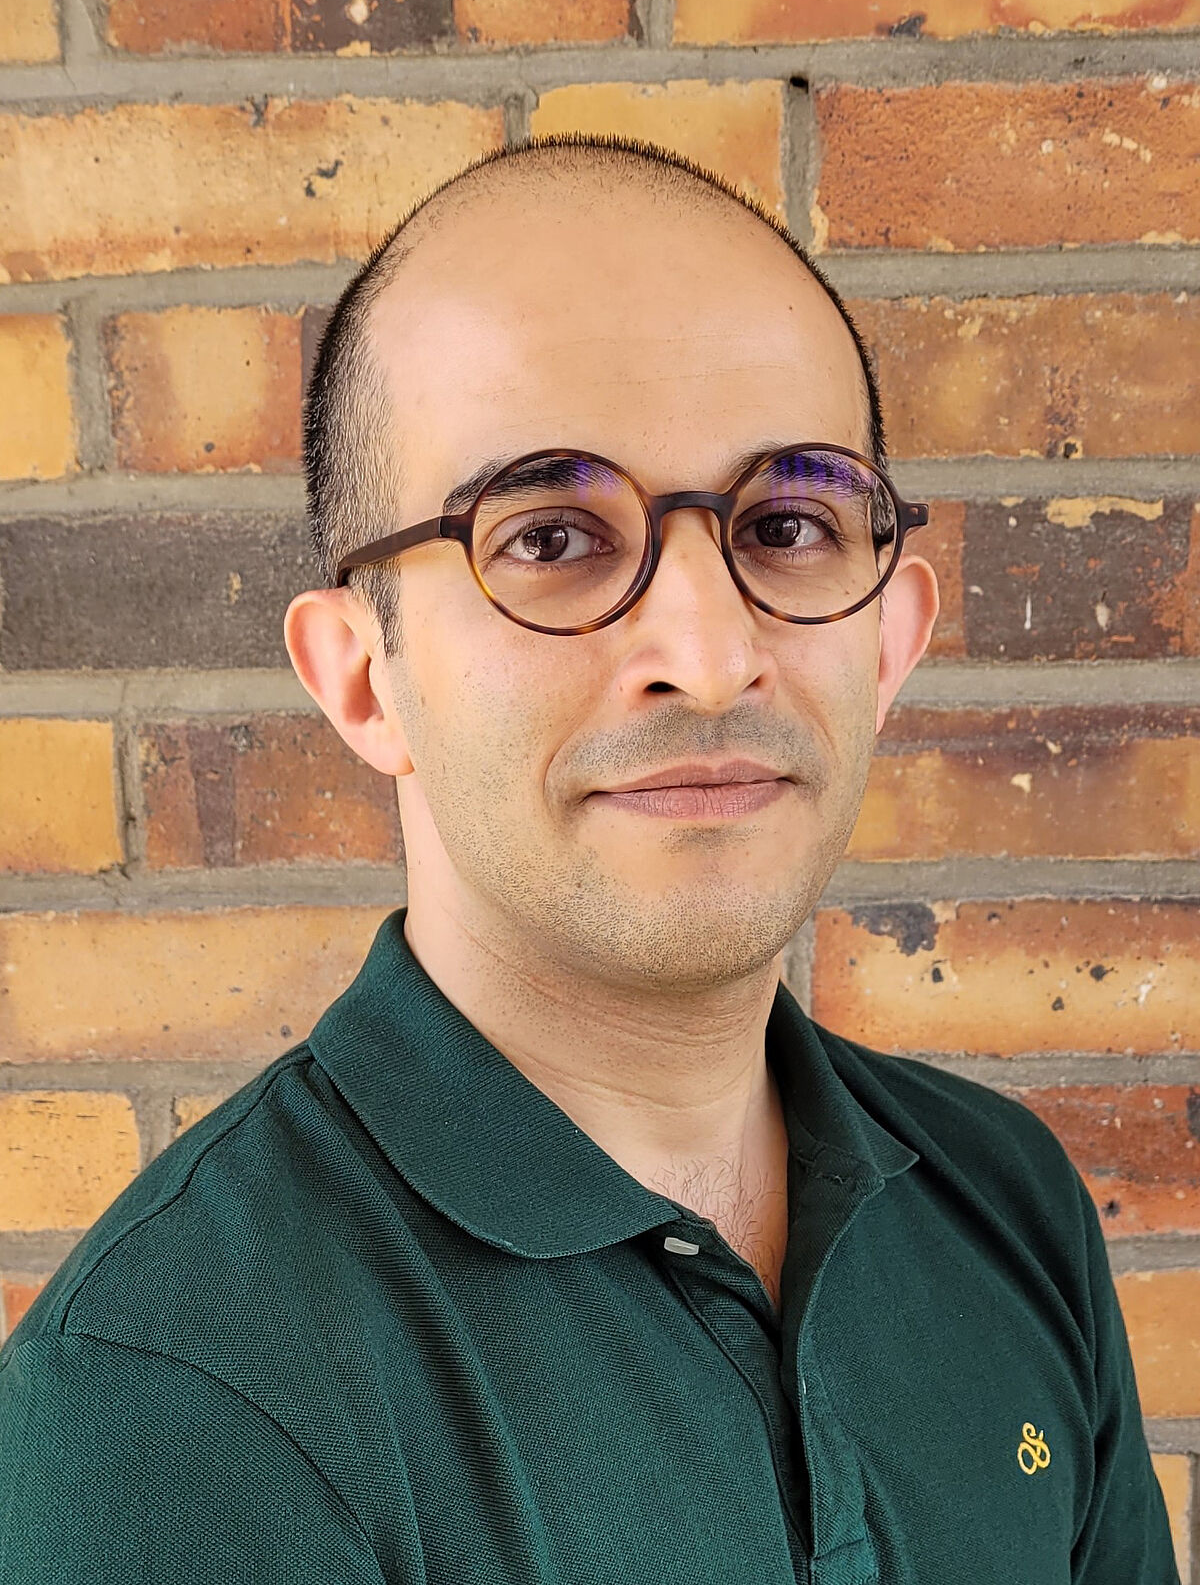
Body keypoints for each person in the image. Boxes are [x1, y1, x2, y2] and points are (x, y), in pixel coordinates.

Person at [0, 136, 1178, 1585]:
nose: (708, 651)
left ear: (891, 639)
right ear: (362, 677)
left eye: (790, 523)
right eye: (552, 535)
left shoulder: (1003, 1205)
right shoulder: (169, 1399)